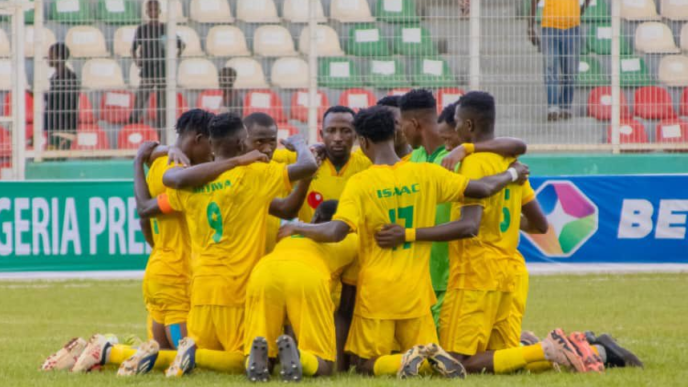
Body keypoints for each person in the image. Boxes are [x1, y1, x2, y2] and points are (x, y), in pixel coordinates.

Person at [278, 105, 529, 379]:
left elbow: (338, 231)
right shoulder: (425, 173)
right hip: (417, 294)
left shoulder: (361, 183)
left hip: (377, 294)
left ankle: (405, 361)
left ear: (362, 142)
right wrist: (513, 173)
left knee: (363, 364)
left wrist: (298, 228)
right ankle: (418, 358)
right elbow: (483, 188)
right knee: (431, 354)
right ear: (395, 133)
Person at [378, 91, 593, 375]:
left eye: (454, 123)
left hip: (474, 272)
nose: (451, 130)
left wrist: (407, 234)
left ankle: (545, 349)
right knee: (505, 359)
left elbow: (469, 226)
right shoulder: (508, 162)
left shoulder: (468, 164)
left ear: (467, 126)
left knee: (454, 361)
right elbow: (540, 225)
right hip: (507, 270)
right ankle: (589, 348)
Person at [158, 114, 318, 377]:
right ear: (242, 143)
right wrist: (300, 144)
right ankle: (182, 354)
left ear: (211, 143)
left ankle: (165, 354)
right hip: (237, 287)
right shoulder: (254, 174)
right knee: (251, 361)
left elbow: (171, 179)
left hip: (201, 288)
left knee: (206, 362)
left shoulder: (189, 181)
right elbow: (308, 165)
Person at [399, 89, 527, 327]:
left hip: (457, 273)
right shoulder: (413, 159)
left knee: (448, 357)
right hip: (422, 273)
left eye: (400, 124)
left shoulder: (455, 160)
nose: (398, 130)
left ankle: (542, 349)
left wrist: (471, 151)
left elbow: (476, 206)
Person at [244, 200, 357, 382]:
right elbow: (346, 306)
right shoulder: (351, 239)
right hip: (307, 274)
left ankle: (254, 360)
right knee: (324, 364)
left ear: (316, 217)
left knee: (263, 348)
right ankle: (300, 356)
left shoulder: (289, 234)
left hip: (263, 272)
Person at [242, 112, 313, 254]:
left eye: (272, 141)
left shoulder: (275, 169)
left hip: (271, 257)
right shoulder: (234, 173)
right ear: (242, 140)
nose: (267, 149)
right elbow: (286, 210)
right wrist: (300, 144)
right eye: (259, 142)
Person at [528, 0, 590, 121]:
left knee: (570, 70)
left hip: (572, 27)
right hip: (550, 26)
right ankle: (553, 107)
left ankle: (566, 106)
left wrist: (581, 9)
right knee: (550, 68)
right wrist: (530, 27)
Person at [130, 0, 185, 131]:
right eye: (150, 10)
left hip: (162, 71)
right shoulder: (142, 29)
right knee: (140, 101)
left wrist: (173, 59)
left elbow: (181, 45)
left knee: (162, 105)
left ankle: (161, 131)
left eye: (155, 9)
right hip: (148, 71)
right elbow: (133, 48)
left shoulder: (165, 28)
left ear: (159, 11)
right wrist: (137, 60)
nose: (153, 12)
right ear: (147, 12)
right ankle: (132, 125)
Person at [44, 43, 79, 151]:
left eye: (51, 55)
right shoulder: (56, 76)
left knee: (56, 156)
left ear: (58, 58)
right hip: (54, 126)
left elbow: (68, 102)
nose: (48, 58)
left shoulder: (68, 77)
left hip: (63, 127)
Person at [376, 95, 413, 160]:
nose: (386, 127)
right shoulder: (365, 160)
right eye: (381, 122)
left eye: (395, 122)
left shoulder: (422, 159)